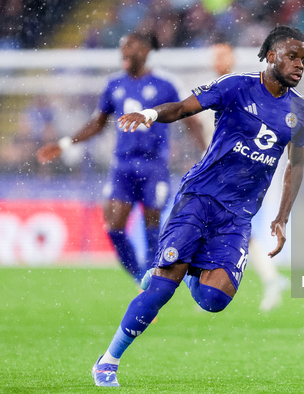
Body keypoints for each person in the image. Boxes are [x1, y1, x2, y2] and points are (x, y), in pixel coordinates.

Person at [91, 26, 304, 387]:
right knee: (162, 288)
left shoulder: (300, 114)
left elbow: (297, 165)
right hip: (200, 197)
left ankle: (180, 267)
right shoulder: (235, 85)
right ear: (271, 56)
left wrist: (282, 217)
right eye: (292, 56)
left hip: (238, 215)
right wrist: (149, 114)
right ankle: (108, 360)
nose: (299, 64)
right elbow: (180, 108)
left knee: (214, 299)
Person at [37, 32, 205, 285]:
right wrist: (65, 143)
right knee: (113, 226)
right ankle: (141, 277)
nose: (124, 52)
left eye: (130, 47)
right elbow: (98, 122)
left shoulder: (166, 83)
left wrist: (204, 154)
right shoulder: (113, 84)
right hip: (122, 165)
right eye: (122, 47)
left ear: (146, 50)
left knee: (151, 227)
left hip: (154, 165)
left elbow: (190, 119)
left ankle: (149, 284)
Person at [206, 42, 290, 312]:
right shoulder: (215, 87)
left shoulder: (244, 88)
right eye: (215, 55)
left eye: (223, 54)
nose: (218, 59)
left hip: (242, 172)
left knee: (233, 229)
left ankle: (213, 286)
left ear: (232, 57)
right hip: (221, 171)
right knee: (231, 230)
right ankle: (213, 286)